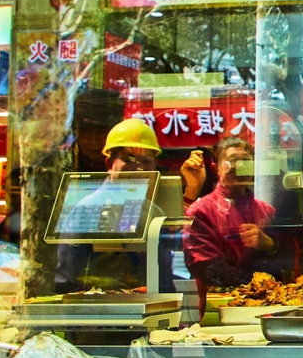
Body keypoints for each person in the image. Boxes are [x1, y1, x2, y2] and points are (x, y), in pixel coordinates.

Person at [54, 117, 204, 292]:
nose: (138, 168)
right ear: (109, 164)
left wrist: (192, 191)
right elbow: (68, 278)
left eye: (145, 161)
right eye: (129, 159)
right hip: (103, 307)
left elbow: (175, 249)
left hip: (154, 304)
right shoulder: (86, 210)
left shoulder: (153, 210)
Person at [183, 136, 291, 290]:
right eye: (232, 161)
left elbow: (286, 259)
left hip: (267, 298)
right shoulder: (200, 211)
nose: (239, 167)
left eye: (245, 161)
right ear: (216, 169)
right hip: (221, 300)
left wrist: (269, 244)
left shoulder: (267, 210)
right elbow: (205, 266)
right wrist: (256, 285)